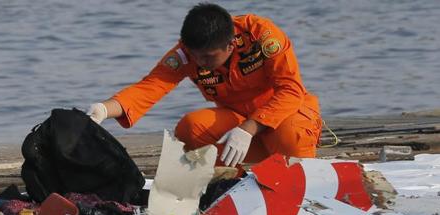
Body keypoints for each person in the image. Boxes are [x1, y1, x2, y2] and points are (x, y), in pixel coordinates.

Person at [86, 3, 322, 168]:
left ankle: (302, 180)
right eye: (194, 55)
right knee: (190, 128)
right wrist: (103, 110)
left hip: (284, 119)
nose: (200, 63)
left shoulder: (262, 36)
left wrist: (249, 128)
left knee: (292, 131)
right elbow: (150, 87)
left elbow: (291, 90)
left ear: (230, 45)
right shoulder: (188, 54)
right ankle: (229, 183)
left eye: (208, 57)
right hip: (238, 126)